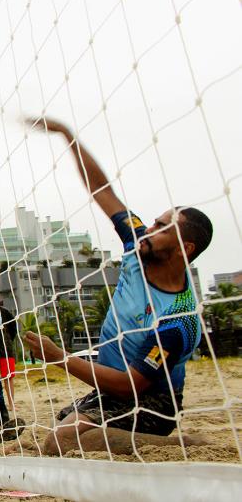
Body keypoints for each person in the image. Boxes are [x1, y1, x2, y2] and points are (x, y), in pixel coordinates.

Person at [22, 116, 213, 455]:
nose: (149, 227)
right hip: (109, 386)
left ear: (184, 249)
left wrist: (59, 358)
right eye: (154, 220)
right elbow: (102, 191)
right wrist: (67, 134)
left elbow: (132, 387)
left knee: (61, 441)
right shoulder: (138, 242)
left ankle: (171, 445)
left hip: (152, 400)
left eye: (162, 227)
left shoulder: (179, 320)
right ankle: (118, 436)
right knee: (61, 430)